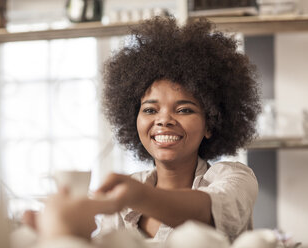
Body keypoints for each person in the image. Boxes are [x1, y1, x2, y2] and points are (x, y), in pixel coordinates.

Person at [95, 15, 261, 243]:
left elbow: (206, 214)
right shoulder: (125, 193)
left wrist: (138, 196)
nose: (164, 120)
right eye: (150, 110)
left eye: (184, 110)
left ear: (210, 124)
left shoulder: (235, 178)